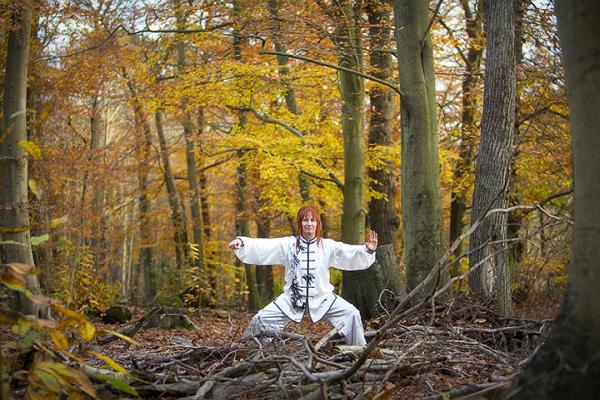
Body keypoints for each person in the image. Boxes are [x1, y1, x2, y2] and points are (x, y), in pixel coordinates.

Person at [228, 205, 378, 346]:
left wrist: (368, 251)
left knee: (352, 314)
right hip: (291, 299)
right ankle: (252, 352)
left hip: (323, 298)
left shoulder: (327, 246)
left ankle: (358, 352)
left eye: (312, 220)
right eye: (305, 220)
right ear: (300, 223)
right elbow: (264, 246)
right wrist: (242, 243)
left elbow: (348, 253)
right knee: (260, 319)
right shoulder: (288, 245)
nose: (309, 223)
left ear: (317, 223)